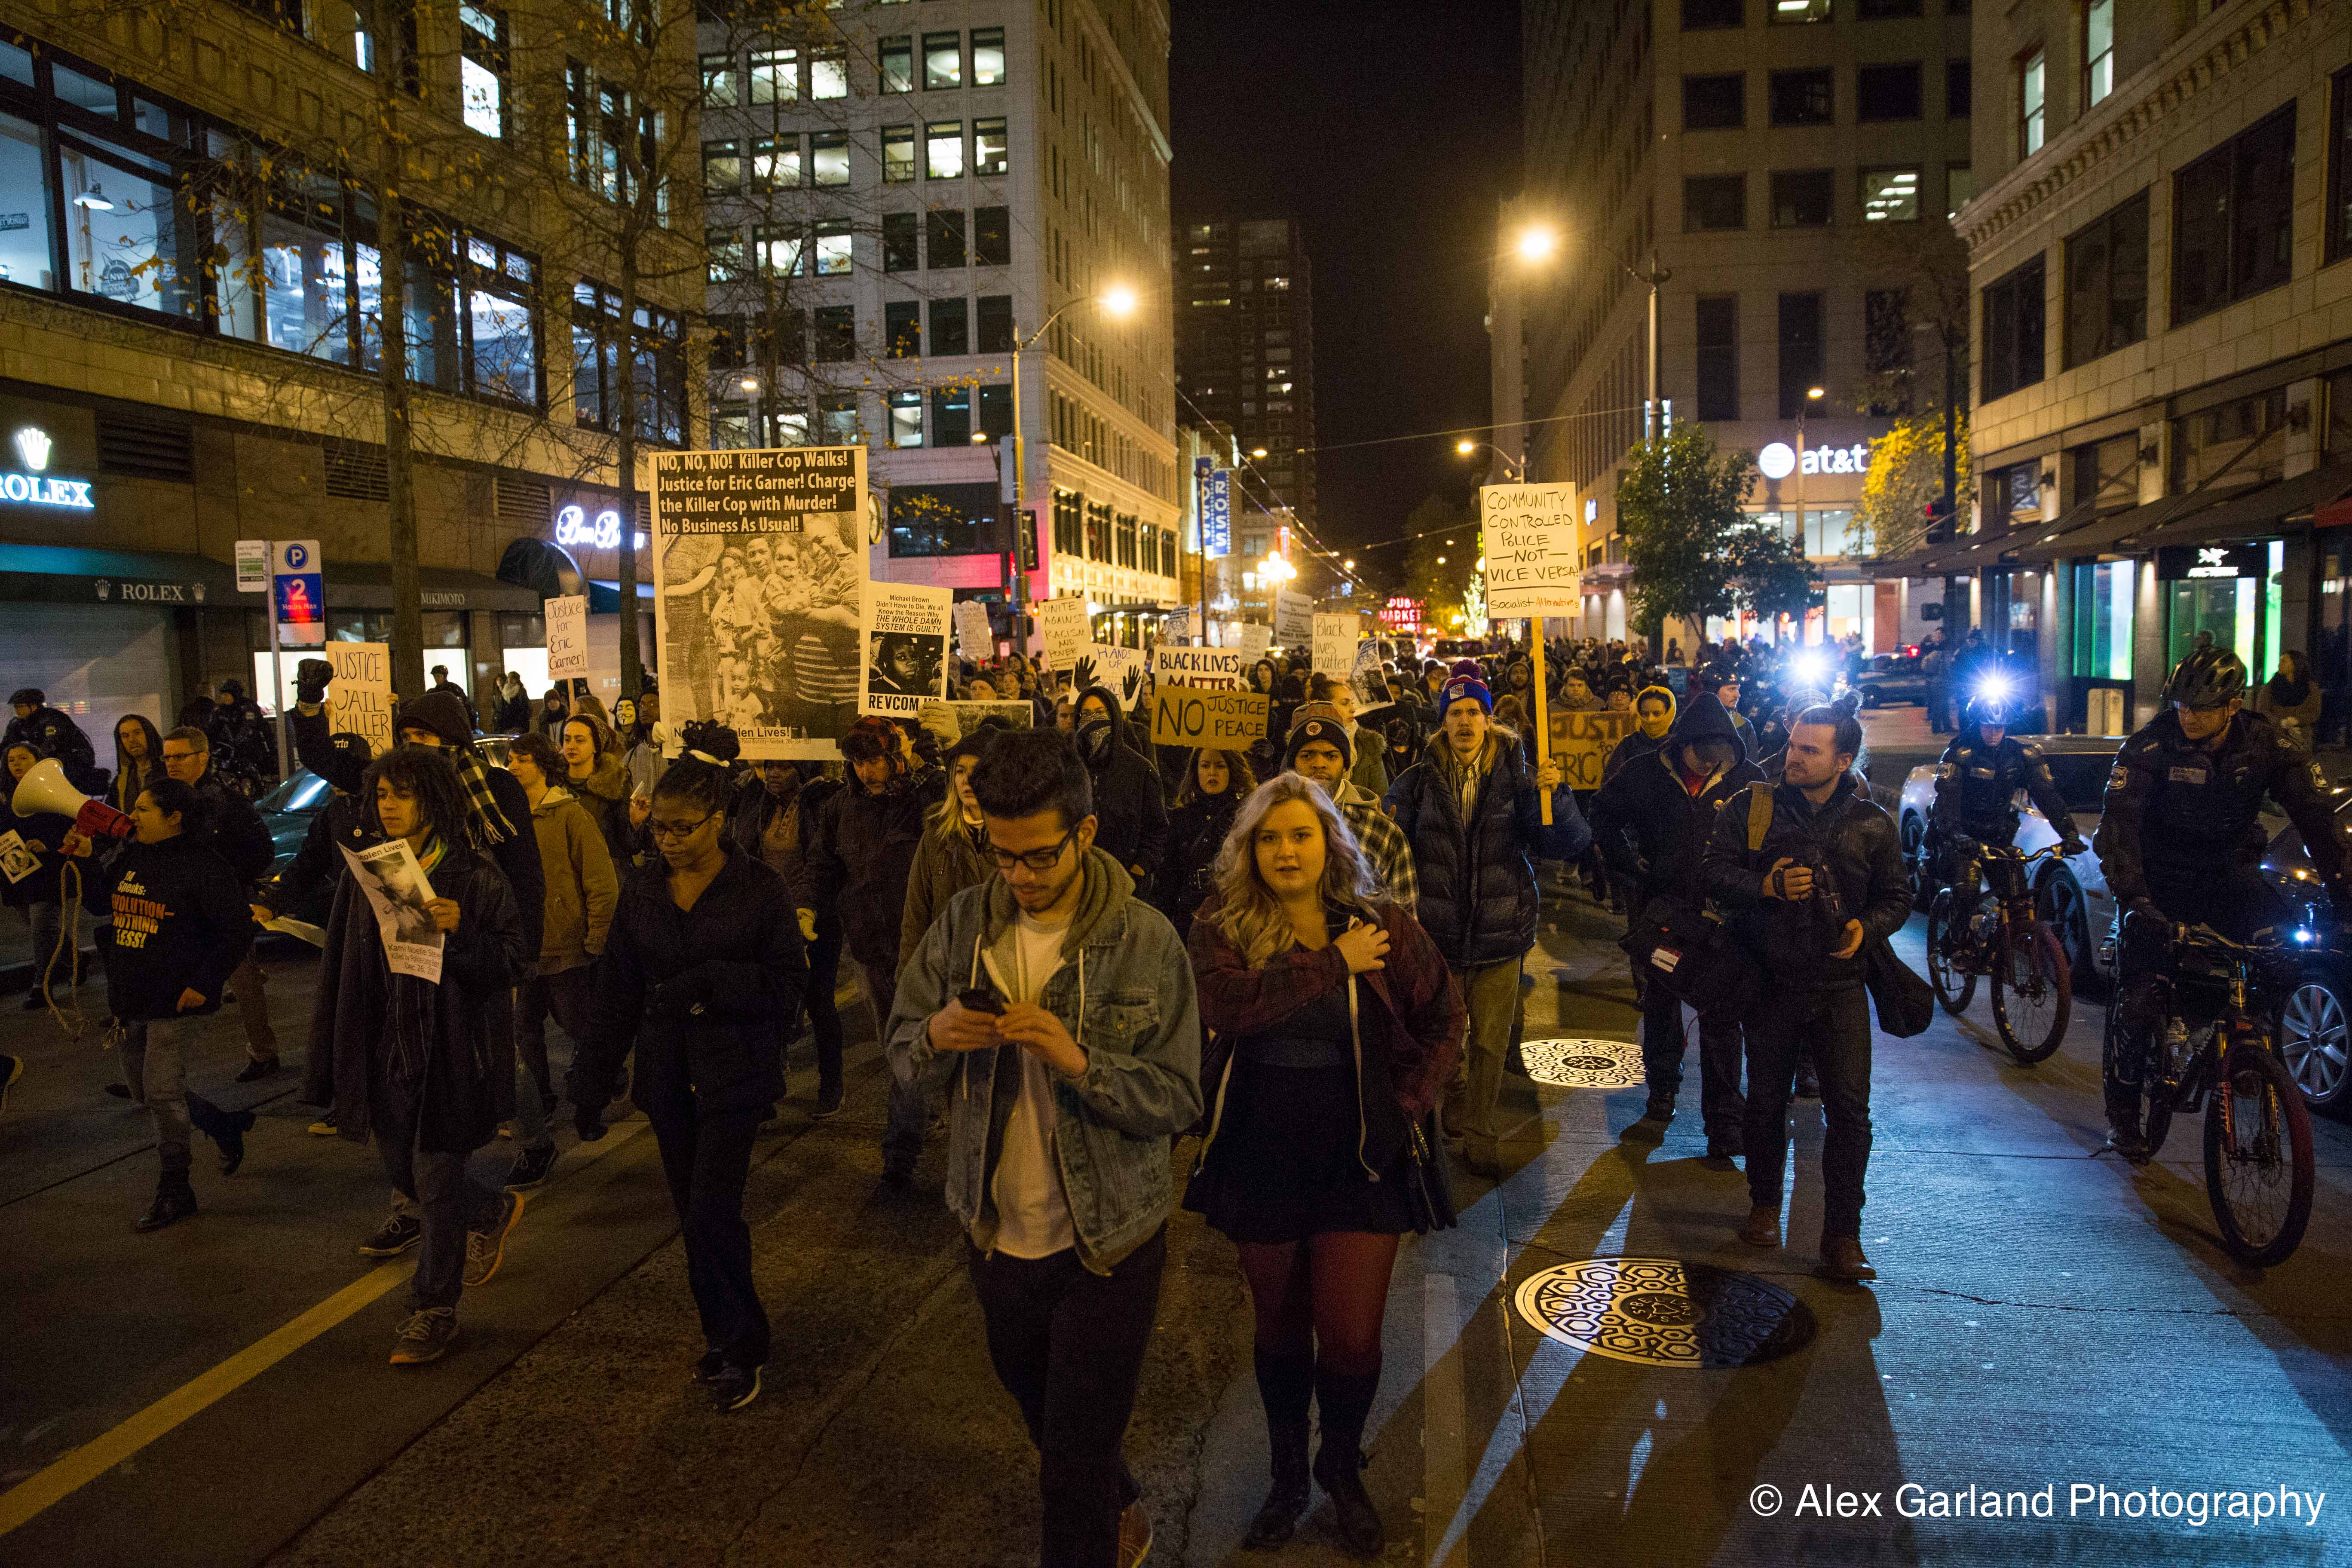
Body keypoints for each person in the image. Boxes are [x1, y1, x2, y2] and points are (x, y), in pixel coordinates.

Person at [887, 726, 1201, 1568]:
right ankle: (1117, 1494)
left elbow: (1180, 1096)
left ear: (1084, 833)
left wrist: (1080, 1061)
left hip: (1110, 1243)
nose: (1020, 876)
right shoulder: (964, 927)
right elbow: (902, 1053)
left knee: (1069, 1463)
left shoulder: (1145, 940)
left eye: (1038, 856)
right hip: (997, 1232)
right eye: (1003, 855)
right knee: (1044, 1410)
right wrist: (936, 1036)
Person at [1185, 775, 1462, 1555]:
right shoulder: (1221, 925)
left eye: (1301, 835)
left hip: (1361, 1156)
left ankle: (1340, 1467)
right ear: (1249, 850)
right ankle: (1286, 1477)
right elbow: (1226, 1006)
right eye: (1269, 838)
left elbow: (1446, 1014)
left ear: (1330, 842)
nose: (1285, 851)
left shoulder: (1382, 924)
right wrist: (1332, 962)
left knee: (1350, 1338)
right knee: (1279, 1329)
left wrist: (1409, 1102)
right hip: (1259, 1148)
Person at [571, 723, 805, 1412]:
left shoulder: (759, 889)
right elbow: (616, 990)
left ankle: (743, 1342)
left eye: (682, 828)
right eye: (660, 828)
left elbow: (787, 986)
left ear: (718, 820)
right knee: (691, 1215)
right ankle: (723, 1335)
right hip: (669, 1075)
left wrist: (709, 985)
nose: (668, 841)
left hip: (735, 1076)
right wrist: (592, 1079)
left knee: (711, 1212)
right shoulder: (644, 891)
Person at [314, 746, 532, 1363]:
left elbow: (512, 961)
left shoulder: (474, 876)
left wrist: (461, 932)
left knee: (436, 1184)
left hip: (449, 1053)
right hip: (386, 1050)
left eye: (403, 795)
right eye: (382, 795)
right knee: (403, 1174)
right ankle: (488, 1207)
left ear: (433, 801)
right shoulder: (371, 872)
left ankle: (433, 1309)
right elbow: (345, 963)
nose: (389, 806)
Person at [2095, 647, 2351, 1161]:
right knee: (2139, 997)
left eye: (2202, 709)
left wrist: (2346, 901)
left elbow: (2320, 823)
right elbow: (2118, 829)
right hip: (2159, 882)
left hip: (2229, 877)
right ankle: (2123, 1114)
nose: (2188, 717)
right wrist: (2135, 898)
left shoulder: (2267, 745)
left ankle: (2249, 1053)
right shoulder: (2150, 746)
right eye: (2182, 706)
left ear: (2233, 706)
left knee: (2282, 958)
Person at [1703, 706, 1910, 1282]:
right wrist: (1766, 885)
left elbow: (1897, 898)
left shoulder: (1872, 823)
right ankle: (1764, 1205)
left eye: (1809, 750)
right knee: (1765, 1103)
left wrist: (1867, 927)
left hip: (1841, 990)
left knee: (1851, 1114)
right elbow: (1711, 873)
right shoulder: (1753, 808)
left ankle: (1843, 1236)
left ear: (1843, 761)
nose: (1793, 756)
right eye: (1793, 745)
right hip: (1770, 983)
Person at [1385, 675, 1586, 1178]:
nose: (1465, 722)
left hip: (1501, 932)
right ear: (1443, 723)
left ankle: (1481, 1132)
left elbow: (1563, 844)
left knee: (1491, 1044)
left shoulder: (1521, 778)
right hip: (1438, 938)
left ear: (1489, 720)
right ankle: (1455, 1098)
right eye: (1455, 714)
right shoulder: (1416, 781)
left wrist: (1557, 797)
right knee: (1444, 1041)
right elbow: (1391, 846)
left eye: (1474, 712)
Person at [64, 777, 257, 1230]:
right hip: (133, 996)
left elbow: (237, 930)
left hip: (179, 999)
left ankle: (176, 1187)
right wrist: (87, 859)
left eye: (144, 810)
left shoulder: (205, 866)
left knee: (162, 1092)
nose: (132, 817)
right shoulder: (134, 854)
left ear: (174, 818)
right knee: (146, 1091)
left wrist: (204, 983)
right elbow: (103, 904)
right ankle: (223, 1125)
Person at [1590, 691, 1763, 1157]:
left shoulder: (1749, 781)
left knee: (1723, 1016)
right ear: (1683, 744)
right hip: (1663, 913)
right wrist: (1628, 864)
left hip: (1723, 919)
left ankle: (1725, 1121)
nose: (1709, 767)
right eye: (1702, 757)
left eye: (1718, 759)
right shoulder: (1644, 772)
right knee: (1662, 1005)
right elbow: (1602, 814)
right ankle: (1662, 1090)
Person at [796, 717, 945, 1186]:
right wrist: (806, 908)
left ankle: (900, 1152)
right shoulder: (840, 808)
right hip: (867, 945)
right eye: (858, 762)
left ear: (895, 757)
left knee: (912, 1045)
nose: (866, 772)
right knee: (895, 1044)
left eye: (875, 760)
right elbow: (823, 865)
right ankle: (921, 1107)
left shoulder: (922, 799)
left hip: (919, 946)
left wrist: (940, 757)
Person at [499, 732, 617, 1191]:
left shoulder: (570, 814)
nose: (513, 767)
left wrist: (597, 935)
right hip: (522, 947)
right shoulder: (504, 818)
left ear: (543, 766)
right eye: (510, 760)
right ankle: (542, 1101)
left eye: (522, 760)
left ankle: (598, 1089)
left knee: (579, 1025)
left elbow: (600, 879)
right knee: (523, 1030)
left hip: (565, 944)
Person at [158, 726, 281, 1080]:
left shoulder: (228, 802)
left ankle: (263, 1052)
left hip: (225, 904)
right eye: (167, 757)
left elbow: (262, 852)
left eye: (180, 756)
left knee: (243, 981)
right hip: (179, 903)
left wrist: (223, 882)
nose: (172, 764)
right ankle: (160, 1070)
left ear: (202, 757)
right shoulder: (163, 798)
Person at [732, 757, 845, 1117]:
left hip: (816, 917)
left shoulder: (822, 802)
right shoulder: (756, 799)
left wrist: (806, 907)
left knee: (819, 1002)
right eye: (770, 766)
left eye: (784, 767)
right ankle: (766, 1087)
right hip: (768, 919)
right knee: (767, 1003)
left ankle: (832, 1085)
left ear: (803, 769)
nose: (774, 774)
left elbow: (823, 862)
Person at [1925, 693, 2082, 941]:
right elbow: (1947, 802)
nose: (1994, 733)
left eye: (1999, 727)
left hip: (1998, 838)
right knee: (1968, 889)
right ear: (1977, 724)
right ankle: (1957, 944)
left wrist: (2070, 835)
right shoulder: (1959, 754)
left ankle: (2007, 946)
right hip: (1961, 838)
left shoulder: (2022, 755)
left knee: (2019, 898)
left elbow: (2048, 797)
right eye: (1987, 726)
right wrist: (1957, 836)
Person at [1281, 712, 1418, 912]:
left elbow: (1405, 917)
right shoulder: (1272, 822)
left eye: (1331, 756)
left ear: (1345, 765)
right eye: (1307, 755)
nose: (1319, 764)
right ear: (1293, 764)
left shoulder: (1380, 831)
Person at [900, 732, 998, 969]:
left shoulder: (1017, 835)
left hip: (1001, 971)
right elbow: (916, 917)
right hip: (949, 968)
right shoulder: (937, 835)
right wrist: (909, 978)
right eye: (960, 771)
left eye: (978, 771)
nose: (967, 780)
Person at [1155, 746, 1256, 943]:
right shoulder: (1181, 817)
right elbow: (1169, 876)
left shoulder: (1245, 817)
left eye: (1220, 766)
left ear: (1232, 771)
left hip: (1230, 914)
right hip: (1189, 916)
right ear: (1196, 771)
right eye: (1205, 766)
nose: (1212, 772)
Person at [1071, 689, 1169, 888]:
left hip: (1123, 884)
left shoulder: (1139, 769)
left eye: (1100, 713)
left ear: (1114, 717)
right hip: (1075, 881)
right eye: (1087, 714)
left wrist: (1139, 869)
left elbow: (1157, 829)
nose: (1093, 721)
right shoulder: (1069, 767)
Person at [4, 742, 74, 1011]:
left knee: (41, 927)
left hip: (48, 870)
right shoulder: (6, 793)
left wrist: (49, 844)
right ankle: (75, 960)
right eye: (12, 760)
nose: (17, 764)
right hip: (18, 869)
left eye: (23, 758)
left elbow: (69, 823)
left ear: (37, 760)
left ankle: (42, 985)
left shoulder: (52, 788)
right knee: (42, 927)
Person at [560, 712, 634, 870]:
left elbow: (628, 844)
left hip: (605, 871)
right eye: (567, 739)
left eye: (580, 740)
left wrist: (636, 823)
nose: (571, 746)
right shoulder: (553, 783)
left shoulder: (614, 785)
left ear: (596, 746)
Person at [6, 686, 102, 791]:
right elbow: (8, 745)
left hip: (76, 758)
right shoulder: (18, 724)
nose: (17, 710)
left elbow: (51, 744)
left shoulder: (53, 718)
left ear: (33, 707)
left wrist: (33, 762)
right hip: (51, 759)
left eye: (21, 707)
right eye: (15, 707)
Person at [1602, 685, 1675, 785]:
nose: (1650, 720)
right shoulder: (1629, 744)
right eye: (1645, 714)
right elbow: (1609, 783)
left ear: (1669, 714)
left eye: (1657, 714)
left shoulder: (1679, 745)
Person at [2254, 649, 2322, 752]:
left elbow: (2314, 712)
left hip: (2301, 736)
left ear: (2295, 665)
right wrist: (2280, 723)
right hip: (2276, 736)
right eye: (2280, 661)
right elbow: (2263, 710)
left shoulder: (2310, 688)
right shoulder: (2272, 686)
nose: (2279, 665)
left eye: (2284, 661)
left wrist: (2297, 721)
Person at [107, 715, 166, 815]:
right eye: (125, 736)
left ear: (149, 735)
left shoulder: (171, 771)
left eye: (137, 733)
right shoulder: (121, 782)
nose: (132, 740)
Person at [1703, 667, 1759, 757]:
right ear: (1713, 692)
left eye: (1738, 689)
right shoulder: (1693, 722)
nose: (1738, 695)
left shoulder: (1745, 726)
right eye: (1732, 689)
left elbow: (1751, 763)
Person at [428, 665, 478, 732]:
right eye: (435, 677)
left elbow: (466, 706)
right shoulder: (433, 692)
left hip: (455, 722)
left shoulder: (454, 689)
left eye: (439, 676)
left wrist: (472, 723)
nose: (437, 679)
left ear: (444, 676)